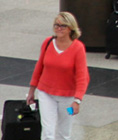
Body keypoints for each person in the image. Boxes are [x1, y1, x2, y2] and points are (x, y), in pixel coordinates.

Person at [26, 12, 89, 140]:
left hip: (68, 98)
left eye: (63, 26)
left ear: (71, 28)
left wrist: (77, 101)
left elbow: (83, 77)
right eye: (56, 25)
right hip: (46, 94)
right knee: (48, 132)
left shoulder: (78, 48)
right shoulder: (48, 43)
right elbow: (39, 67)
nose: (58, 29)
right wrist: (32, 91)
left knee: (64, 133)